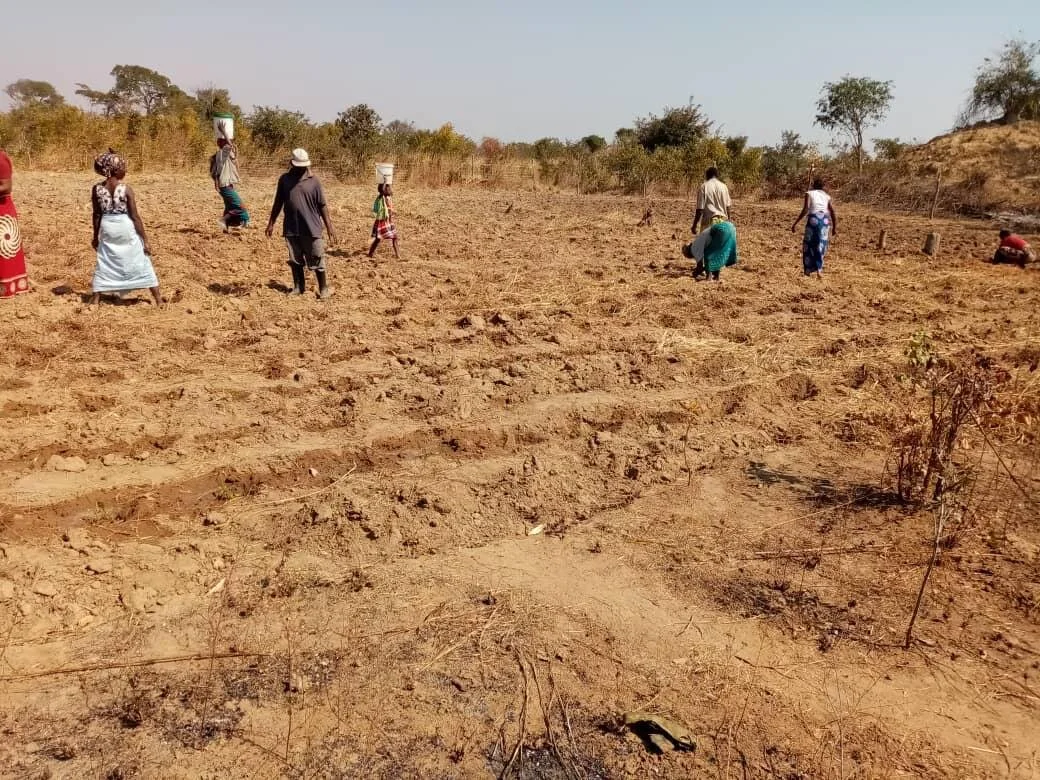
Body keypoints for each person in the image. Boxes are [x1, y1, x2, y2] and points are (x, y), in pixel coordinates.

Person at [89, 150, 163, 306]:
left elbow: (96, 215)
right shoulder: (126, 189)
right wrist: (145, 240)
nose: (125, 170)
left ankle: (96, 299)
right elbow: (135, 217)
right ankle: (158, 299)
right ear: (115, 170)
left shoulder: (97, 189)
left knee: (105, 260)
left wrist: (96, 237)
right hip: (125, 227)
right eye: (123, 167)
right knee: (141, 260)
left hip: (107, 227)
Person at [265, 148, 338, 299]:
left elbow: (322, 205)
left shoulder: (314, 181)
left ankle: (323, 288)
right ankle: (299, 287)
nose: (301, 168)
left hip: (312, 227)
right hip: (292, 227)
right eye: (299, 165)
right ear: (292, 163)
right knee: (295, 259)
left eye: (304, 165)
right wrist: (271, 223)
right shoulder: (284, 180)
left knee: (317, 256)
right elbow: (278, 202)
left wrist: (330, 227)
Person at [791, 177, 838, 278]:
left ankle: (808, 271)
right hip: (825, 221)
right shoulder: (827, 196)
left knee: (808, 245)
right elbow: (832, 211)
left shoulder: (809, 193)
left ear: (813, 185)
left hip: (814, 220)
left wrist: (795, 223)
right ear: (823, 186)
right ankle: (819, 270)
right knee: (820, 245)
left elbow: (805, 209)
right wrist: (834, 228)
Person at [0, 149, 30, 299]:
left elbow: (6, 186)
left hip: (2, 210)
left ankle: (6, 287)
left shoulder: (0, 159)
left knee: (4, 250)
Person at [210, 138, 250, 231]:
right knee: (240, 207)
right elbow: (229, 146)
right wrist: (224, 131)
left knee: (230, 207)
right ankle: (224, 221)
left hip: (226, 185)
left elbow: (234, 158)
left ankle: (226, 227)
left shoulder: (224, 156)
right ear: (220, 143)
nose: (230, 143)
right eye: (225, 141)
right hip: (225, 186)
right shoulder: (221, 154)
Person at [692, 167, 733, 234]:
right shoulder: (724, 186)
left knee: (707, 244)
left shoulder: (704, 187)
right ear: (717, 175)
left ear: (707, 175)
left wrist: (694, 225)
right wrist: (729, 221)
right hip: (723, 222)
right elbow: (728, 206)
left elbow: (700, 209)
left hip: (709, 223)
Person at [368, 182, 400, 259]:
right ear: (384, 190)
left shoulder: (388, 198)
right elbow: (382, 190)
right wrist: (385, 181)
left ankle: (398, 256)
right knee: (378, 239)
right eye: (388, 188)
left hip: (388, 222)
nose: (391, 190)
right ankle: (370, 254)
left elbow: (389, 208)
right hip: (382, 222)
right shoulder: (381, 197)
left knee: (395, 237)